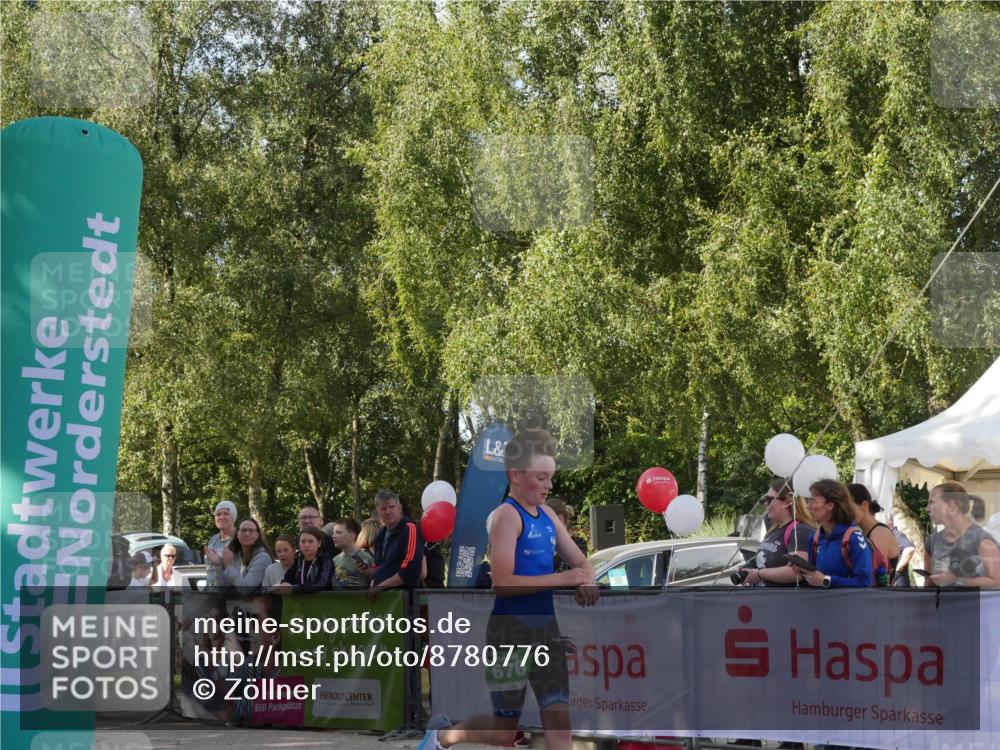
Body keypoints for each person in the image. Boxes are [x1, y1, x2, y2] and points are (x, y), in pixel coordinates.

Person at [418, 429, 599, 750]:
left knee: (559, 723)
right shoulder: (505, 516)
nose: (549, 485)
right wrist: (565, 579)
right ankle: (444, 736)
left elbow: (582, 563)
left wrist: (586, 578)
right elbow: (504, 582)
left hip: (547, 634)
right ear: (515, 475)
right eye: (542, 477)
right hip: (509, 634)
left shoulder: (547, 516)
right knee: (504, 733)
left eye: (551, 477)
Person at [924, 481, 1000, 588]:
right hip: (939, 604)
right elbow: (928, 585)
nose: (927, 509)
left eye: (931, 502)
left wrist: (957, 580)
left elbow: (997, 582)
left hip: (974, 604)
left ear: (950, 505)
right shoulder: (931, 541)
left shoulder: (982, 540)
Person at [799, 479, 873, 588]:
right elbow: (815, 579)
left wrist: (826, 581)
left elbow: (864, 582)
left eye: (812, 500)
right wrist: (802, 571)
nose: (807, 506)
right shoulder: (814, 538)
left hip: (848, 604)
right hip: (821, 604)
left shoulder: (854, 538)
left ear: (830, 505)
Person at [741, 479, 814, 587]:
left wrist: (759, 574)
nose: (765, 504)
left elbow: (797, 573)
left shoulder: (800, 531)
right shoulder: (774, 529)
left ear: (787, 502)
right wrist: (747, 570)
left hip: (784, 601)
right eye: (764, 500)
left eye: (769, 499)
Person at [365, 489, 424, 601]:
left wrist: (379, 587)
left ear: (400, 508)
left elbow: (411, 570)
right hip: (383, 601)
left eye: (391, 507)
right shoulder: (380, 535)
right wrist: (369, 571)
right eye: (383, 508)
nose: (388, 511)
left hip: (404, 601)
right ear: (378, 511)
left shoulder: (409, 529)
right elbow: (383, 567)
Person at [848, 483, 899, 586]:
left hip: (879, 597)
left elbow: (872, 572)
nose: (846, 513)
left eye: (849, 508)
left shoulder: (879, 532)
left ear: (864, 505)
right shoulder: (865, 531)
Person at [218, 517, 272, 596]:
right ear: (237, 534)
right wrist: (217, 566)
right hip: (234, 605)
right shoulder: (234, 555)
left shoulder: (263, 557)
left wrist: (229, 566)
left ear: (257, 535)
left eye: (251, 531)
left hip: (255, 606)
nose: (247, 534)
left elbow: (245, 589)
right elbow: (222, 588)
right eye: (243, 530)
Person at [278, 527, 334, 594]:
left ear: (319, 543)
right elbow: (287, 578)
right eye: (303, 541)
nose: (306, 545)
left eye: (310, 541)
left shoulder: (325, 559)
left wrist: (294, 589)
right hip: (301, 602)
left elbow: (322, 584)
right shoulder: (299, 559)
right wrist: (284, 584)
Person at [545, 498, 588, 572]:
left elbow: (567, 574)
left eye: (545, 520)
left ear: (560, 519)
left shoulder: (578, 543)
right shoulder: (546, 544)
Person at [331, 517, 375, 589]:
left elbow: (373, 582)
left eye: (339, 532)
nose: (334, 536)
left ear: (351, 536)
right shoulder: (335, 560)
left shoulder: (366, 558)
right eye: (334, 533)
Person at [887, 511, 916, 587]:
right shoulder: (889, 534)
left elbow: (910, 549)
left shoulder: (895, 534)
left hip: (899, 583)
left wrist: (898, 569)